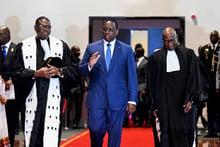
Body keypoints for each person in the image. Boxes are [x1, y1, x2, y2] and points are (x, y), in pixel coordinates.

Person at [9, 16, 79, 147]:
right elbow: (15, 72)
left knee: (51, 137)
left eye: (48, 27)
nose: (45, 30)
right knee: (33, 135)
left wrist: (60, 72)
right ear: (35, 28)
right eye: (42, 26)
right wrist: (35, 73)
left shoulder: (61, 46)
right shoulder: (24, 46)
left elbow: (74, 69)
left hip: (53, 97)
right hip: (32, 97)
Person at [78, 19, 138, 147]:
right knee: (95, 130)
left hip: (118, 100)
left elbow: (132, 76)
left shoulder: (126, 50)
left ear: (117, 31)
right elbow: (81, 70)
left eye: (110, 29)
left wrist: (132, 100)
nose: (107, 32)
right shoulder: (92, 47)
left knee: (115, 136)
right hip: (97, 99)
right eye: (105, 29)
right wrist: (89, 64)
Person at [148, 27, 198, 147]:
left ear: (177, 38)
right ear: (162, 40)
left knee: (184, 136)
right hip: (164, 105)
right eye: (167, 41)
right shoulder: (156, 58)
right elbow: (151, 83)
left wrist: (190, 99)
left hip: (183, 105)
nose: (170, 43)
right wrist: (153, 104)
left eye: (172, 39)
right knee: (165, 137)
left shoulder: (188, 55)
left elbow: (194, 80)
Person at [198, 30, 220, 137]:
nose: (214, 37)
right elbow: (201, 68)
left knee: (218, 108)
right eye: (212, 35)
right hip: (208, 84)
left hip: (218, 84)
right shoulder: (204, 49)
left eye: (215, 36)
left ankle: (217, 129)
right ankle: (210, 130)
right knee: (210, 108)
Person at [0, 25, 18, 147]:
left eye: (0, 34)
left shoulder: (17, 49)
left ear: (8, 34)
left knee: (11, 122)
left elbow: (21, 69)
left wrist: (12, 79)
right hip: (0, 92)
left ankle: (10, 143)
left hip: (13, 92)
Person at [132, 43, 150, 127]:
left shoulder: (146, 62)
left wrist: (145, 89)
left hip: (142, 86)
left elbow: (147, 77)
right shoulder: (134, 62)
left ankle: (147, 120)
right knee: (137, 106)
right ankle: (138, 120)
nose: (136, 53)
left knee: (144, 106)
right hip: (135, 86)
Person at [67, 45, 84, 128]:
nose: (77, 53)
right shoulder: (68, 62)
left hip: (79, 87)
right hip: (70, 87)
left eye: (78, 51)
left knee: (78, 107)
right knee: (68, 107)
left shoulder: (81, 62)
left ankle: (75, 123)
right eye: (75, 51)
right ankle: (66, 124)